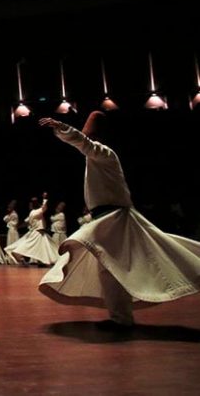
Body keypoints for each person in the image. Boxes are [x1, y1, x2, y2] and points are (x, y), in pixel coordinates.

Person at [38, 112, 200, 328]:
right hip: (107, 219)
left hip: (115, 218)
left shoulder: (105, 154)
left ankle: (121, 318)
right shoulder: (95, 159)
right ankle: (120, 318)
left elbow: (84, 143)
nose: (86, 135)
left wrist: (60, 126)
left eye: (89, 132)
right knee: (110, 269)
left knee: (115, 267)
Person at [4, 193, 59, 266]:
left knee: (45, 248)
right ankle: (19, 256)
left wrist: (19, 226)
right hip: (37, 234)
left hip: (39, 233)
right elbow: (44, 208)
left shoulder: (32, 213)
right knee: (31, 246)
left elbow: (26, 222)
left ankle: (42, 261)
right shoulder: (36, 212)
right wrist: (45, 198)